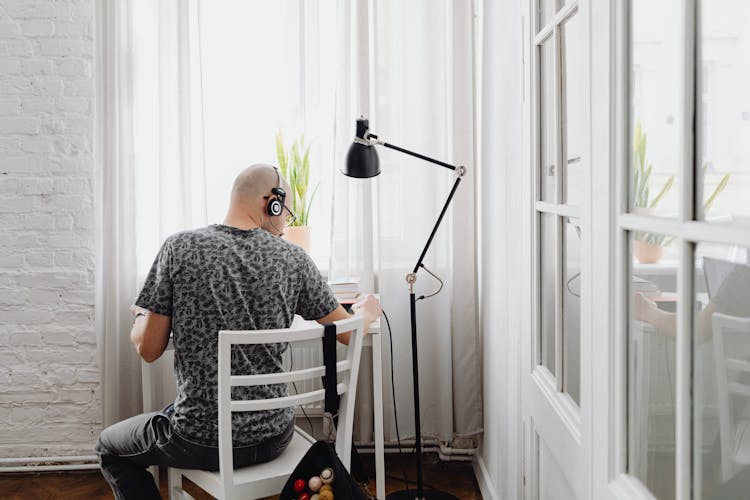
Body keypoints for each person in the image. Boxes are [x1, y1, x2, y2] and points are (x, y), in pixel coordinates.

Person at [95, 163, 382, 500]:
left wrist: (142, 314)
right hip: (275, 436)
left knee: (110, 448)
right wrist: (365, 312)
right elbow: (347, 333)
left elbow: (148, 349)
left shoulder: (180, 248)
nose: (285, 221)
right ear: (270, 203)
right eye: (285, 211)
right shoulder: (294, 259)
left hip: (200, 440)